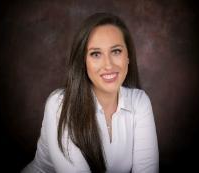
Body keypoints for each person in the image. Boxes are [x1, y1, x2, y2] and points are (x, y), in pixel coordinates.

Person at [21, 12, 159, 173]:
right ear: (83, 61)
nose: (108, 65)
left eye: (116, 51)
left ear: (128, 56)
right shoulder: (60, 105)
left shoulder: (139, 101)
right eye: (96, 54)